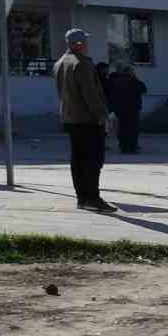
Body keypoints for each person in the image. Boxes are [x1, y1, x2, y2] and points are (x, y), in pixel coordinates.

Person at [52, 29, 116, 212]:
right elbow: (91, 95)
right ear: (79, 44)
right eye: (85, 42)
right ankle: (92, 197)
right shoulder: (81, 64)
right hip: (87, 119)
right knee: (93, 159)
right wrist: (102, 117)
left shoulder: (59, 64)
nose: (88, 45)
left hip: (70, 118)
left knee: (78, 159)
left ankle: (82, 198)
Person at [106, 64, 148, 154]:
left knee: (122, 127)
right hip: (132, 108)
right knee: (132, 128)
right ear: (131, 72)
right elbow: (144, 89)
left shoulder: (116, 81)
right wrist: (137, 78)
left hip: (120, 108)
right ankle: (132, 147)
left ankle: (123, 147)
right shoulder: (133, 80)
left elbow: (111, 94)